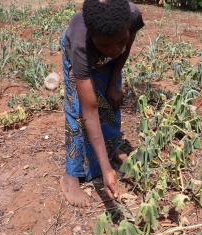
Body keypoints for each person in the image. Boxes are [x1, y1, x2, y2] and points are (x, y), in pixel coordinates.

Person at [60, 0, 144, 207]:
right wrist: (107, 171)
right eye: (105, 44)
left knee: (111, 102)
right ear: (93, 36)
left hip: (103, 53)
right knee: (76, 111)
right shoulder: (81, 44)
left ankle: (109, 150)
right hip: (82, 56)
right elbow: (89, 110)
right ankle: (70, 177)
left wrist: (114, 81)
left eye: (119, 41)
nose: (114, 50)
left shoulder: (132, 17)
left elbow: (125, 45)